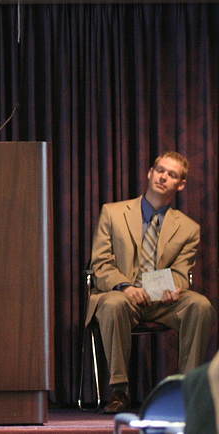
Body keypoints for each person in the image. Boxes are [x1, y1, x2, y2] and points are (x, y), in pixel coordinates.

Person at [87, 151, 216, 413]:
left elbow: (182, 272)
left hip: (162, 300)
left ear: (180, 184)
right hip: (122, 294)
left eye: (172, 175)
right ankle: (119, 391)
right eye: (160, 170)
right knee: (112, 304)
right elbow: (100, 264)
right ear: (150, 172)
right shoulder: (113, 213)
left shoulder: (189, 228)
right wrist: (127, 287)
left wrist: (172, 288)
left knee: (200, 305)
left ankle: (186, 390)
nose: (163, 177)